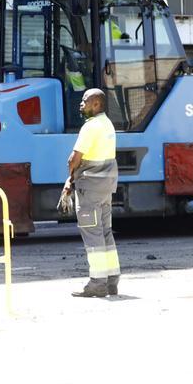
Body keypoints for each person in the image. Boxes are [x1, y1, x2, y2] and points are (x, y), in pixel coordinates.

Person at [63, 88, 120, 298]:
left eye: (85, 101)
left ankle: (97, 283)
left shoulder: (91, 127)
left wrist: (70, 178)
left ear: (96, 104)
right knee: (106, 233)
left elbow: (74, 159)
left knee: (92, 234)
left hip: (90, 188)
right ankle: (112, 281)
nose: (81, 104)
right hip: (106, 187)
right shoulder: (108, 124)